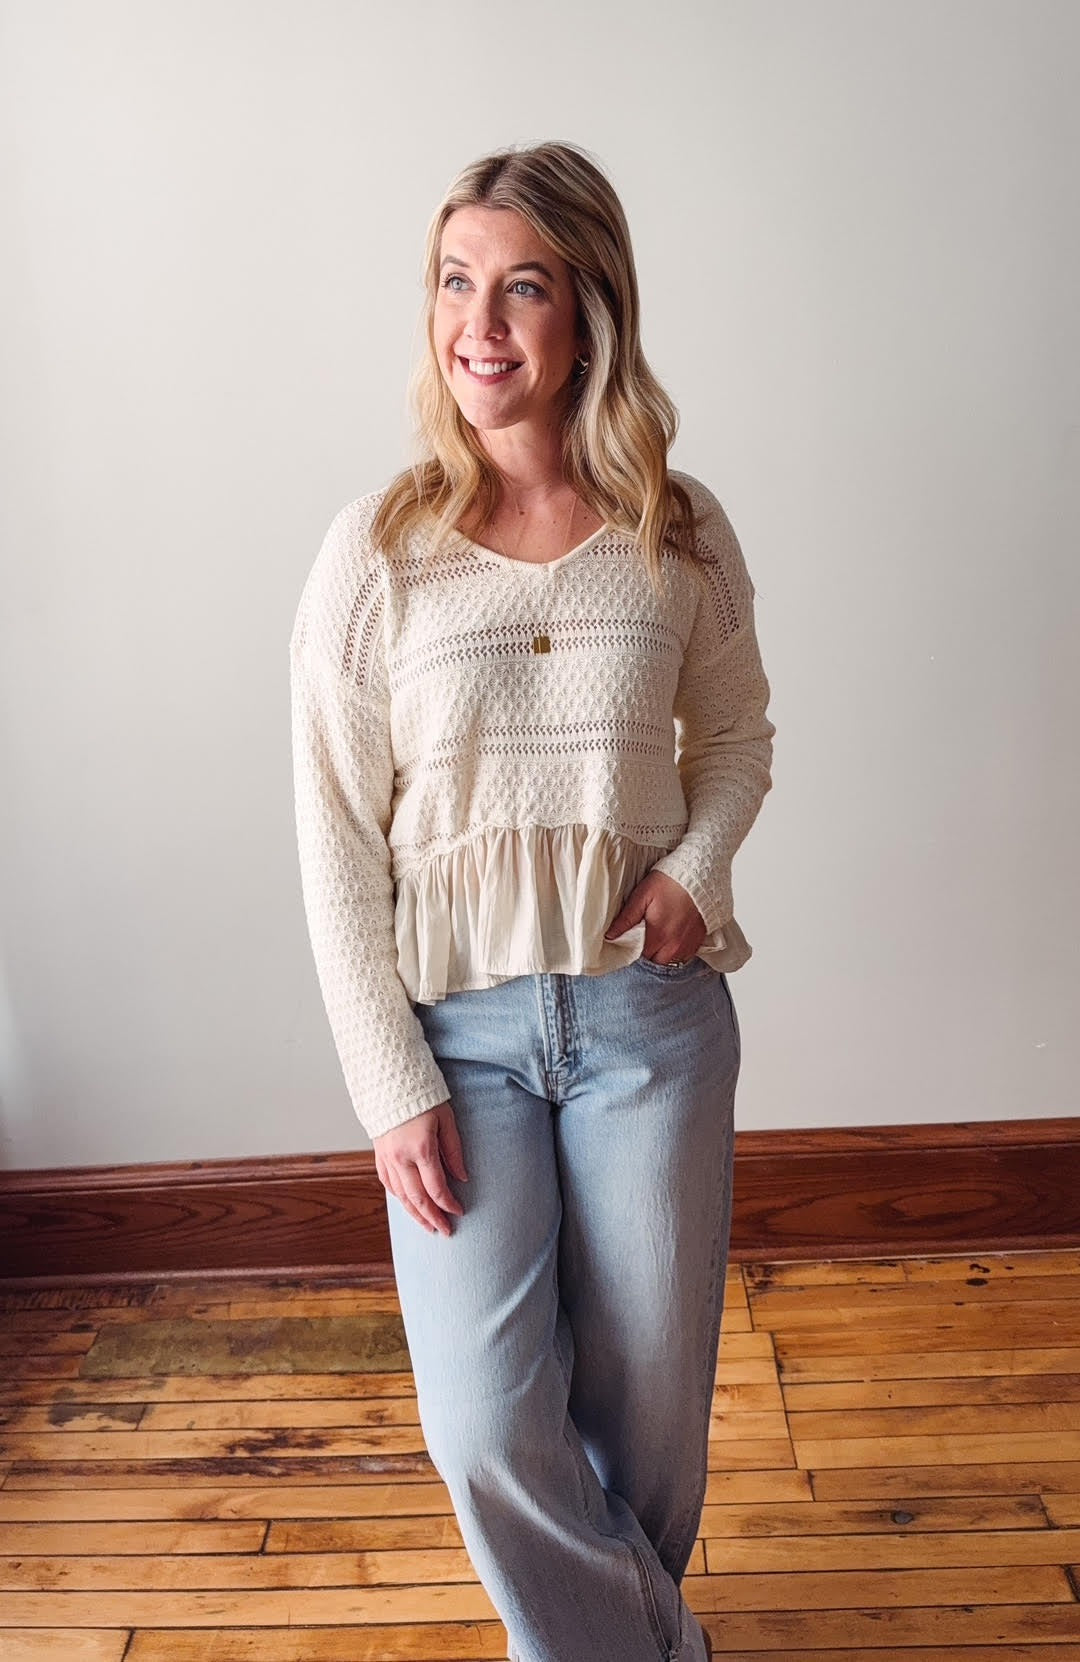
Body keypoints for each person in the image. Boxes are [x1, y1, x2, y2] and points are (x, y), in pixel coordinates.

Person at [289, 139, 774, 1662]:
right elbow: (329, 832)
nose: (477, 323)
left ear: (589, 316)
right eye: (454, 282)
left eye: (521, 287)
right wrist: (389, 1081)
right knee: (489, 1420)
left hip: (648, 1019)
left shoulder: (674, 530)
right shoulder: (378, 551)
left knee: (647, 1433)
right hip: (460, 1040)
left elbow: (742, 738)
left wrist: (696, 875)